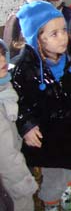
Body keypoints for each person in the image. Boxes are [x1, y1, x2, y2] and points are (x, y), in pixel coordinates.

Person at [11, 1, 71, 211]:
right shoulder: (25, 69)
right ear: (36, 39)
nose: (63, 37)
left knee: (69, 168)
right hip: (47, 135)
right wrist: (27, 126)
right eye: (54, 34)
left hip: (70, 128)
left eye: (63, 31)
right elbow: (19, 101)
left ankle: (66, 202)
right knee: (55, 174)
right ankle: (51, 204)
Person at [0, 39, 38, 211]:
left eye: (1, 54)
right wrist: (24, 184)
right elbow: (6, 157)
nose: (2, 61)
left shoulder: (5, 86)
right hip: (11, 182)